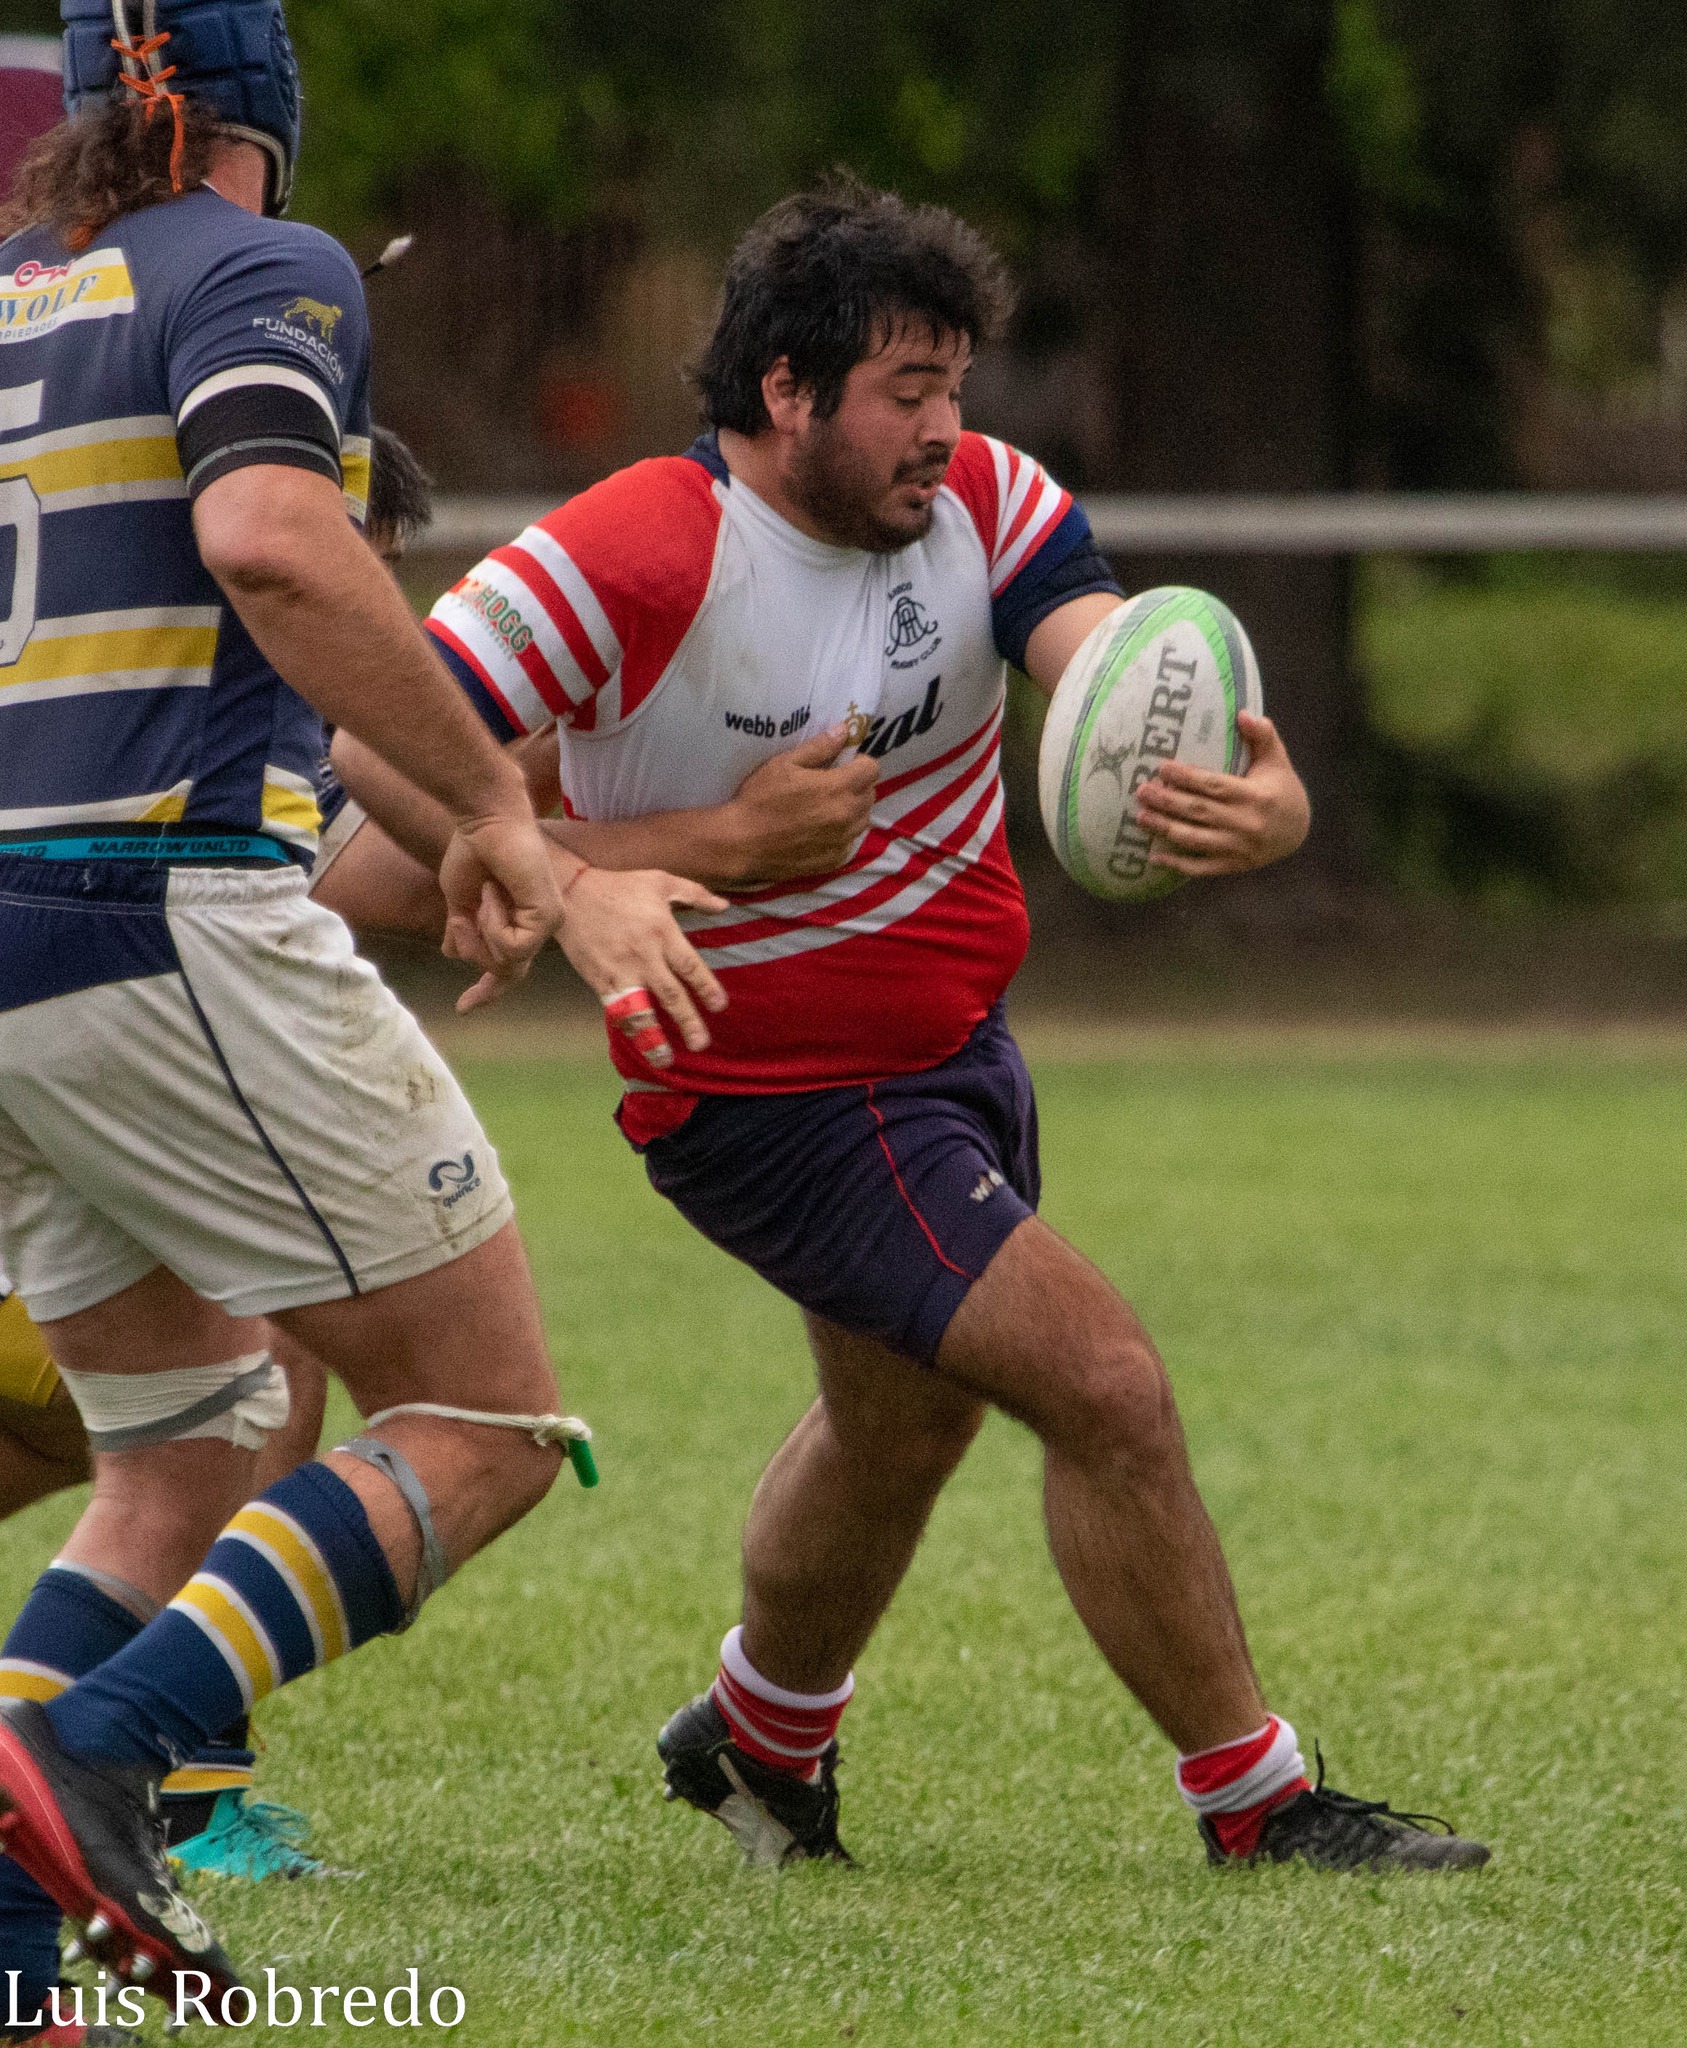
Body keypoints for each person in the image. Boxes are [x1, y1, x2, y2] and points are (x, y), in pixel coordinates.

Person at [327, 176, 1491, 1879]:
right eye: (907, 394)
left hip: (956, 1058)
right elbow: (376, 776)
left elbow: (1121, 677)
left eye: (957, 389)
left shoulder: (990, 509)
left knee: (899, 1426)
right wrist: (682, 850)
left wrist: (1257, 793)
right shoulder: (642, 547)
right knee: (1106, 1384)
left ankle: (760, 1742)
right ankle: (1261, 1802)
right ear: (786, 393)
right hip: (772, 1091)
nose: (948, 430)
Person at [0, 0, 727, 2022]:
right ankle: (97, 1752)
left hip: (9, 942)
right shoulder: (261, 265)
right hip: (157, 909)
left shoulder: (11, 296)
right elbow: (269, 536)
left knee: (189, 1438)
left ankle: (4, 1959)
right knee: (485, 1420)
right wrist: (502, 802)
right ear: (264, 118)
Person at [0, 428, 438, 1905]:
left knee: (168, 1430)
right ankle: (169, 1782)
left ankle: (92, 1803)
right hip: (69, 1063)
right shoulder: (184, 726)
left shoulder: (216, 713)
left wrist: (563, 865)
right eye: (357, 568)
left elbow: (411, 844)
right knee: (333, 1369)